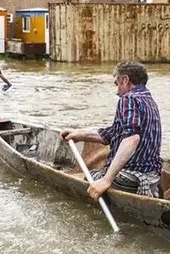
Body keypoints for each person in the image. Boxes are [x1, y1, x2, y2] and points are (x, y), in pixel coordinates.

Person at [60, 61, 163, 201]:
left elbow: (132, 139)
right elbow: (112, 133)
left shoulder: (128, 99)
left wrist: (106, 180)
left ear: (125, 80)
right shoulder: (150, 101)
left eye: (117, 83)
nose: (116, 91)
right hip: (152, 178)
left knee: (91, 176)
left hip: (131, 179)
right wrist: (79, 134)